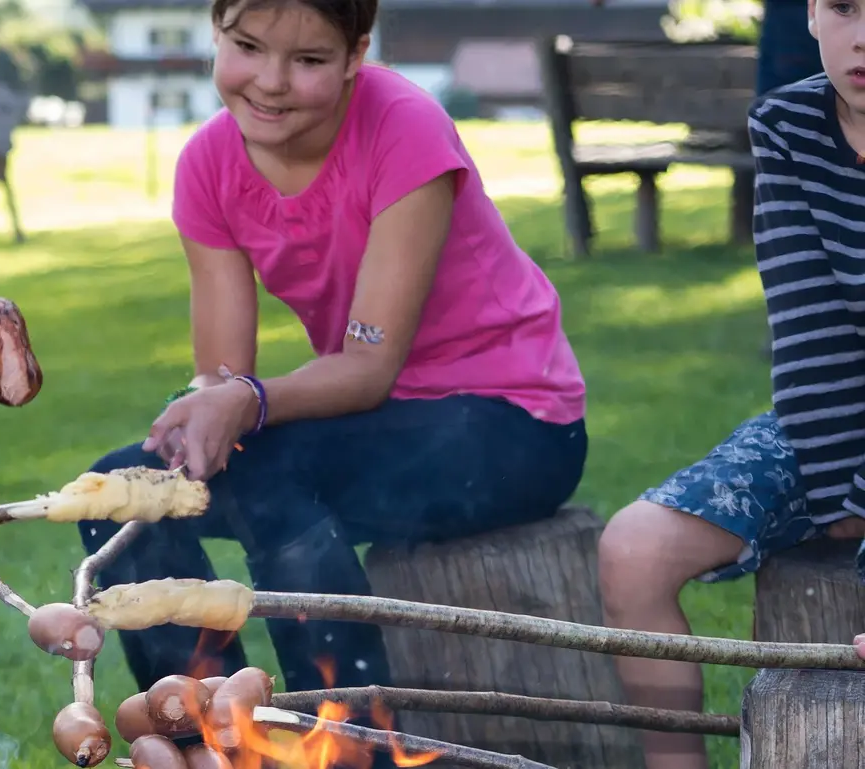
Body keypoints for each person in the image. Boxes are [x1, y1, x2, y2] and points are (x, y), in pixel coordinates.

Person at [75, 0, 590, 726]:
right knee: (122, 494)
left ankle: (348, 734)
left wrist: (244, 402)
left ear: (356, 54)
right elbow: (222, 373)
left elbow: (367, 366)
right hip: (376, 421)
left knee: (271, 470)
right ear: (216, 33)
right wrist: (201, 415)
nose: (272, 81)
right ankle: (215, 733)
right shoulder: (209, 163)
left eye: (309, 60)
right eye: (247, 47)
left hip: (514, 423)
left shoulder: (402, 125)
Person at [598, 2, 865, 766]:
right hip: (822, 422)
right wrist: (840, 492)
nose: (863, 35)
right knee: (633, 549)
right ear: (811, 11)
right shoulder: (788, 125)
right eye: (844, 6)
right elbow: (808, 331)